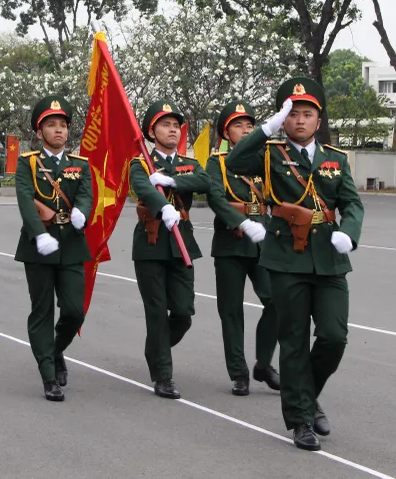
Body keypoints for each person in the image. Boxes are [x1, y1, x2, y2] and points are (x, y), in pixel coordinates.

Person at [225, 77, 365, 452]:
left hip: (331, 258)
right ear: (283, 119)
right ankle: (301, 419)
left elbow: (352, 203)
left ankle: (307, 393)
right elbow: (235, 162)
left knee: (335, 336)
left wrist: (349, 233)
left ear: (318, 121)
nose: (300, 121)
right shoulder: (268, 152)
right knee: (294, 341)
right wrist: (265, 129)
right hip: (287, 257)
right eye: (293, 114)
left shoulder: (335, 158)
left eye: (308, 114)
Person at [129, 101, 210, 399]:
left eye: (176, 125)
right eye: (166, 124)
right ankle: (163, 375)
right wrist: (163, 205)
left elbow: (206, 181)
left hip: (181, 243)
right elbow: (143, 188)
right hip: (151, 243)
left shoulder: (188, 163)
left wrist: (173, 180)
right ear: (152, 132)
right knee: (156, 311)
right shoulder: (140, 163)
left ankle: (155, 348)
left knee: (183, 312)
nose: (173, 129)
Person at [14, 96, 92, 402]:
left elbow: (85, 193)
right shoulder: (28, 162)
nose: (58, 130)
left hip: (72, 244)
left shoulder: (79, 165)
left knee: (74, 310)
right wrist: (38, 233)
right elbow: (24, 198)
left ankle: (56, 350)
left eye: (62, 125)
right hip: (39, 246)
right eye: (51, 125)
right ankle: (48, 375)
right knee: (42, 310)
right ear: (39, 130)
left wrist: (82, 212)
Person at [206, 101, 279, 396]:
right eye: (239, 125)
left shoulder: (266, 159)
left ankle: (263, 364)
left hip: (263, 245)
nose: (247, 130)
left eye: (250, 125)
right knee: (232, 311)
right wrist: (240, 222)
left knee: (277, 303)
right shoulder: (218, 162)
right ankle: (239, 373)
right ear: (226, 132)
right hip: (231, 243)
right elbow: (215, 197)